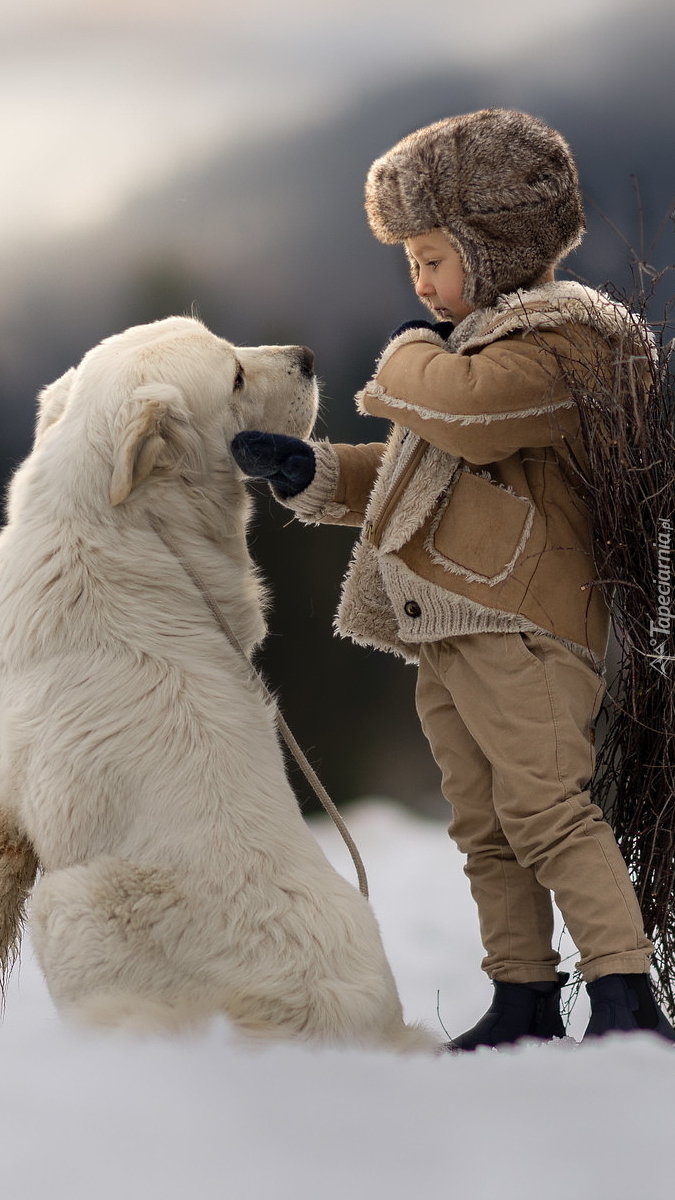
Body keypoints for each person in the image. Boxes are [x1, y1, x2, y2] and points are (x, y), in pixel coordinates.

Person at [231, 108, 675, 1049]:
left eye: (433, 258)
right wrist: (312, 472)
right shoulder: (474, 348)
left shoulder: (569, 342)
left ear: (496, 243)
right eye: (411, 265)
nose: (421, 283)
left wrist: (401, 349)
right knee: (484, 828)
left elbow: (464, 415)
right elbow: (414, 474)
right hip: (450, 626)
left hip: (527, 626)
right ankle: (520, 995)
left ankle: (625, 998)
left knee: (548, 809)